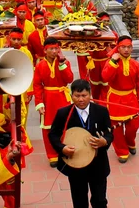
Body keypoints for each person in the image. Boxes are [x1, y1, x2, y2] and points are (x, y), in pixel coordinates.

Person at [48, 80, 113, 208]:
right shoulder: (63, 113)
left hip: (97, 164)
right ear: (71, 96)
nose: (81, 99)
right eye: (77, 96)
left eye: (84, 95)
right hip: (75, 166)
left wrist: (104, 141)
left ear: (90, 94)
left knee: (100, 200)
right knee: (79, 201)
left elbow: (109, 132)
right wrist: (62, 148)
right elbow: (53, 134)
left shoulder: (101, 111)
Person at [101, 35, 139, 163]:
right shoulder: (111, 62)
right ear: (118, 48)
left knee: (133, 125)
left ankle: (130, 142)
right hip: (115, 99)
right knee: (116, 128)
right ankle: (121, 151)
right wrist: (113, 62)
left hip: (131, 98)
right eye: (123, 47)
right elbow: (105, 77)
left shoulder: (136, 64)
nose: (126, 50)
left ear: (132, 48)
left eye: (129, 47)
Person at [33, 37, 74, 167]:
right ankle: (52, 155)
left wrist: (62, 64)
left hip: (62, 97)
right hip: (48, 99)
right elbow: (37, 85)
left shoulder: (65, 63)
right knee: (47, 128)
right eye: (51, 49)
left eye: (56, 48)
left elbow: (69, 79)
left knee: (66, 126)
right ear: (45, 50)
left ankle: (65, 150)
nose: (54, 51)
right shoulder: (40, 65)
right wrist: (39, 103)